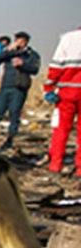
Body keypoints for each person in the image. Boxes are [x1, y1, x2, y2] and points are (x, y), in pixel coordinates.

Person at [0, 32, 39, 149]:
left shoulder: (30, 54)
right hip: (5, 86)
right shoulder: (10, 53)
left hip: (19, 87)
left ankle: (10, 138)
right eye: (17, 40)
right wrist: (8, 51)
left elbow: (35, 69)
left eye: (21, 41)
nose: (19, 43)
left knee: (14, 114)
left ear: (26, 41)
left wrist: (22, 64)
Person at [44, 26, 81, 177]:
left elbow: (56, 66)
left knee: (61, 129)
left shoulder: (68, 38)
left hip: (67, 93)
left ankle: (55, 165)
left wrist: (49, 87)